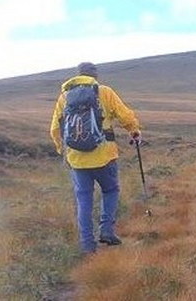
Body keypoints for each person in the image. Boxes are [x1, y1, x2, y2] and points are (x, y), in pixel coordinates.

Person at [50, 62, 141, 254]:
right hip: (104, 155)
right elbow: (125, 116)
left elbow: (55, 129)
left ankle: (87, 245)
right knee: (111, 190)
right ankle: (106, 230)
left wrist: (62, 150)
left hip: (77, 160)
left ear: (78, 75)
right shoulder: (104, 92)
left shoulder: (64, 96)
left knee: (84, 200)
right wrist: (134, 131)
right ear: (95, 76)